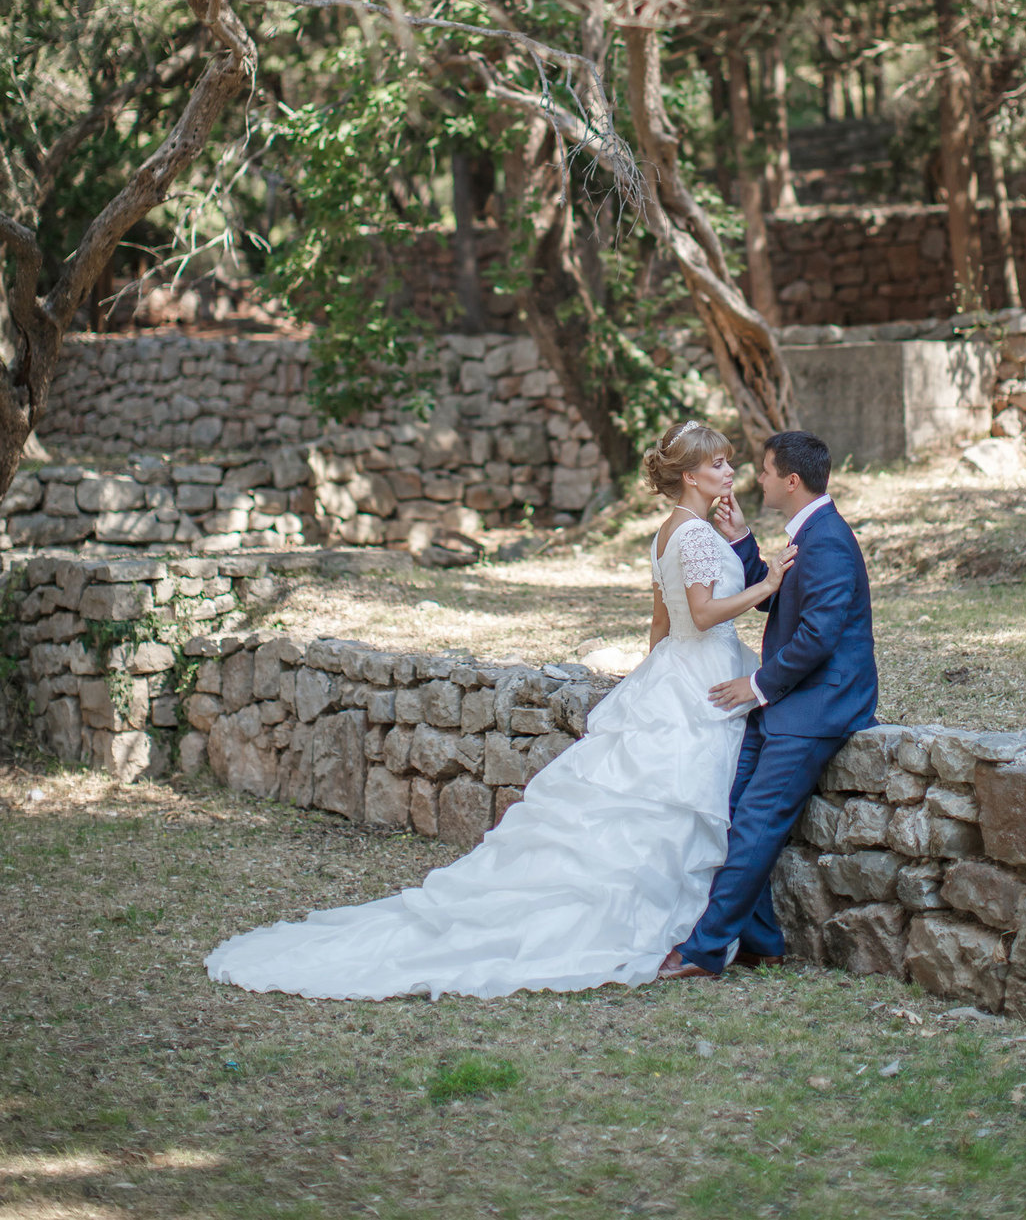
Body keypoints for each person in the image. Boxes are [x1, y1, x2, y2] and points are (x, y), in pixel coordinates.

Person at [204, 419, 779, 999]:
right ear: (690, 476)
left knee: (655, 802)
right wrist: (767, 583)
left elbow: (661, 623)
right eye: (720, 465)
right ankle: (666, 920)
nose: (731, 471)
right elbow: (703, 616)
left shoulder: (665, 534)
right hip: (704, 676)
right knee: (675, 800)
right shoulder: (699, 537)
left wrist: (654, 682)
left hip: (678, 672)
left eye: (730, 463)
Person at [659, 427, 877, 981]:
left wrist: (754, 686)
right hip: (784, 701)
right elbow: (775, 595)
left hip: (817, 709)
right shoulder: (810, 529)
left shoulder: (827, 540)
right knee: (735, 811)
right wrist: (743, 544)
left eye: (765, 470)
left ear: (792, 480)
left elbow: (818, 636)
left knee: (755, 822)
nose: (757, 477)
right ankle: (761, 942)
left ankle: (705, 951)